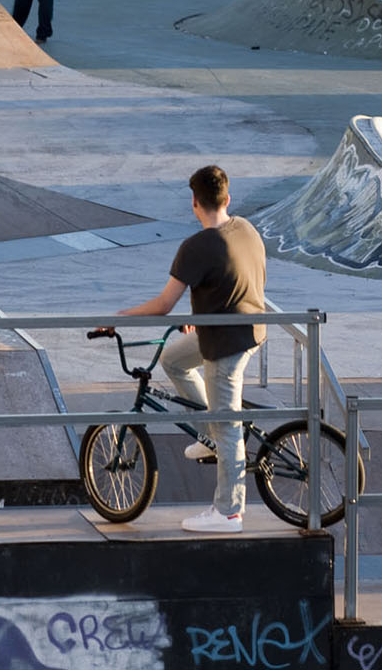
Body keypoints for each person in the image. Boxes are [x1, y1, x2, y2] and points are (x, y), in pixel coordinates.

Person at [118, 164, 267, 534]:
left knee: (228, 425)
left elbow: (163, 304)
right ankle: (210, 436)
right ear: (227, 199)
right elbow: (233, 280)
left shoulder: (196, 247)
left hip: (225, 344)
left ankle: (228, 512)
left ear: (194, 203)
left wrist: (117, 317)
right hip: (248, 329)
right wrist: (199, 315)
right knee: (173, 358)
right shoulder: (246, 229)